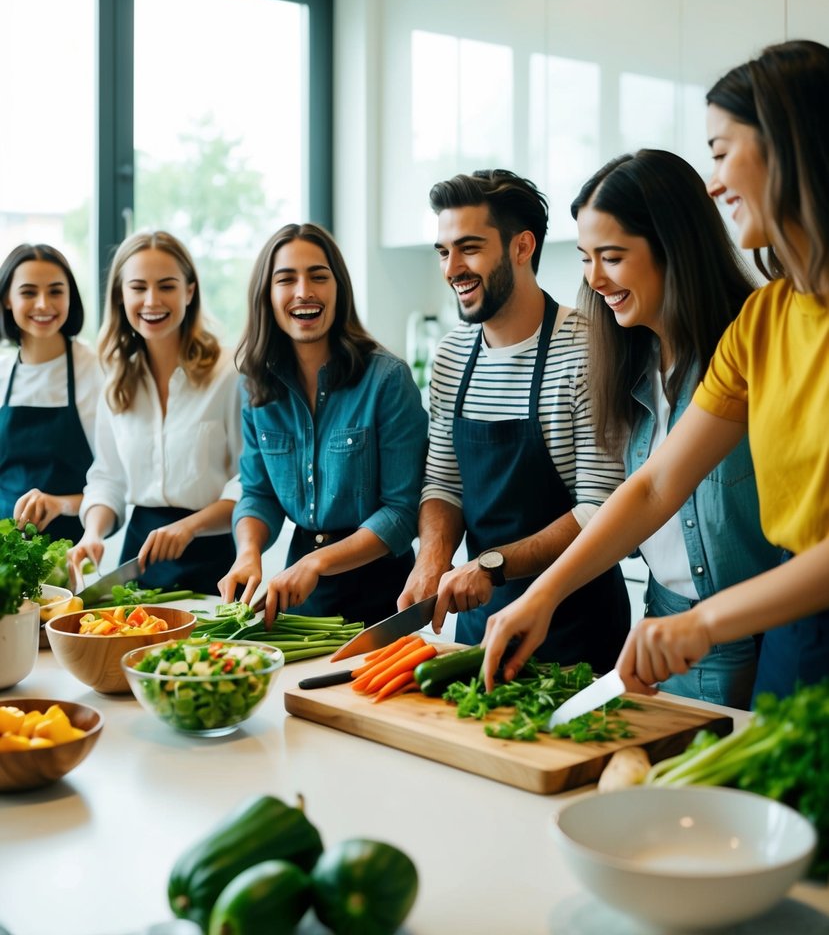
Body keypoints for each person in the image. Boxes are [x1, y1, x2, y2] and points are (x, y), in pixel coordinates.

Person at [481, 40, 829, 703]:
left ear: (789, 144)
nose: (714, 182)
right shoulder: (765, 321)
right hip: (792, 634)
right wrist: (545, 594)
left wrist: (703, 622)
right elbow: (654, 484)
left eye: (722, 152)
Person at [398, 169, 630, 672]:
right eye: (443, 251)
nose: (452, 268)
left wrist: (490, 565)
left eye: (469, 248)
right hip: (480, 617)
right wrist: (433, 555)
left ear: (522, 248)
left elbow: (601, 508)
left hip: (575, 626)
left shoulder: (589, 347)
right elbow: (443, 482)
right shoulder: (451, 356)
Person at [570, 149, 780, 707]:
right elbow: (643, 495)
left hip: (760, 647)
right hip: (656, 641)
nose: (594, 279)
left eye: (611, 256)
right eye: (585, 258)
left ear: (673, 248)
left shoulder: (754, 349)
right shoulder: (627, 369)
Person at [218, 222, 428, 627]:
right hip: (300, 589)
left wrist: (317, 563)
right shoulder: (257, 385)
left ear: (339, 289)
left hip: (381, 589)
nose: (304, 291)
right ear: (268, 295)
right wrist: (248, 554)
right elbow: (258, 493)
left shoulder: (387, 379)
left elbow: (401, 512)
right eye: (286, 279)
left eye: (318, 276)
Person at [68, 230, 242, 592]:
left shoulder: (229, 373)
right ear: (120, 295)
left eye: (166, 286)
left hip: (212, 556)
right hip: (137, 558)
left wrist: (190, 526)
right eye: (138, 287)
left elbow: (249, 482)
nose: (152, 300)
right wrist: (93, 533)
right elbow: (108, 478)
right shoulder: (116, 376)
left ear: (189, 291)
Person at [0, 243, 102, 543]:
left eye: (55, 291)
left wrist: (60, 504)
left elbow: (116, 487)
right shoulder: (2, 370)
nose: (43, 304)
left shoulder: (96, 371)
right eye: (29, 292)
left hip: (71, 557)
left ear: (71, 297)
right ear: (7, 299)